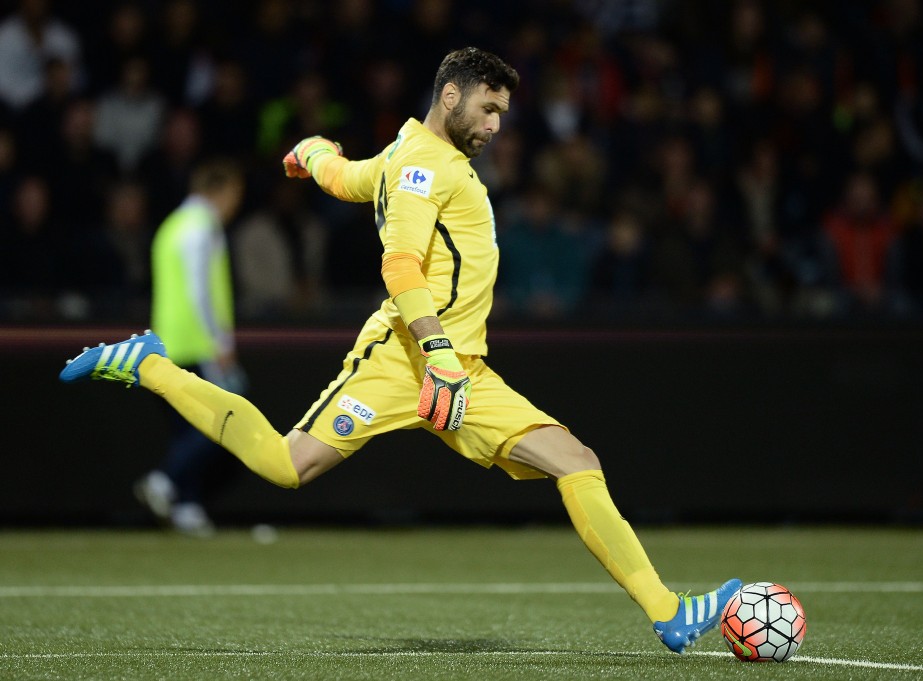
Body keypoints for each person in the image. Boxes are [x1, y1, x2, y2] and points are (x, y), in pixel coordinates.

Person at [59, 47, 739, 654]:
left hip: (462, 370)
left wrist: (312, 154)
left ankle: (668, 612)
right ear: (451, 95)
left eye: (503, 113)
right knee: (286, 465)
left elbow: (350, 177)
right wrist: (437, 351)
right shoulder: (422, 165)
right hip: (406, 359)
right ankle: (148, 365)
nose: (497, 125)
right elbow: (401, 265)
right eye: (489, 108)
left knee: (575, 460)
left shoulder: (403, 155)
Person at [131, 158, 249, 536]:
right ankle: (165, 481)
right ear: (223, 191)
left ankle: (187, 505)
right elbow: (200, 290)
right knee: (222, 417)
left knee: (188, 427)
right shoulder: (203, 227)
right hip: (198, 343)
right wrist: (220, 342)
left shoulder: (172, 225)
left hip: (167, 342)